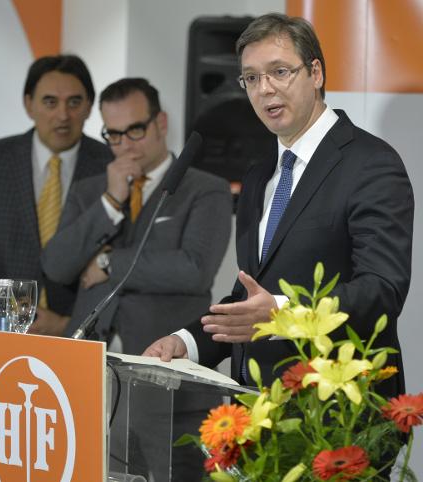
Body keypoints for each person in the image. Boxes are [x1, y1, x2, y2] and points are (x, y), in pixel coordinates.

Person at [144, 13, 414, 401]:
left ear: (316, 73)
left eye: (279, 72)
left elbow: (381, 291)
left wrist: (282, 314)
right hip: (257, 408)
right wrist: (185, 342)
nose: (265, 89)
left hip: (338, 411)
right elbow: (250, 299)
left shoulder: (370, 163)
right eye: (251, 78)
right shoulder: (259, 176)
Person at [42, 77, 232, 355]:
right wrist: (110, 202)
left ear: (161, 124)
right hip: (85, 353)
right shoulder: (89, 190)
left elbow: (195, 270)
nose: (125, 145)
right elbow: (56, 266)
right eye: (114, 134)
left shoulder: (206, 189)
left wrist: (108, 263)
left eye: (135, 130)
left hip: (162, 355)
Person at [0, 54, 112, 331]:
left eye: (74, 102)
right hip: (1, 331)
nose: (63, 115)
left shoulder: (111, 165)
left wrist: (70, 325)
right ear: (29, 104)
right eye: (50, 102)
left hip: (81, 331)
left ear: (89, 107)